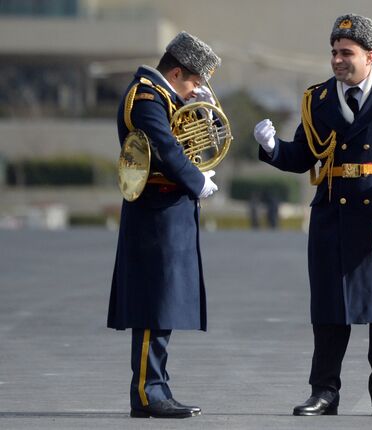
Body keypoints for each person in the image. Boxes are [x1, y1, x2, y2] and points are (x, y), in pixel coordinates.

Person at [254, 14, 372, 417]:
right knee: (330, 310)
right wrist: (271, 148)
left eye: (346, 53)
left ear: (369, 56)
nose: (337, 60)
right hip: (333, 215)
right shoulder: (317, 99)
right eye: (334, 52)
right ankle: (324, 391)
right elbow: (303, 157)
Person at [107, 31, 221, 419]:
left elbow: (191, 145)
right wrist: (197, 180)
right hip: (154, 209)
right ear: (176, 72)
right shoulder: (147, 96)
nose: (198, 89)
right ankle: (147, 391)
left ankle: (156, 384)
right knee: (153, 303)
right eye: (195, 81)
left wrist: (203, 115)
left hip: (169, 209)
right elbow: (165, 148)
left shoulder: (165, 97)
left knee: (164, 303)